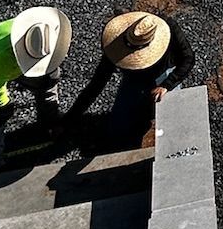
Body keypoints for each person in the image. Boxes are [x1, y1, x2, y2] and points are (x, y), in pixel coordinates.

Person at [0, 6, 73, 166]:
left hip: (15, 63)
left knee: (47, 83)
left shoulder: (41, 32)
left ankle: (50, 122)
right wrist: (4, 106)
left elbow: (44, 50)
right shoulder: (1, 56)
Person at [66, 9, 196, 136]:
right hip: (134, 80)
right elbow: (98, 82)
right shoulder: (115, 46)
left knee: (171, 126)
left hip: (163, 76)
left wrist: (167, 85)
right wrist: (71, 116)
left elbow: (188, 58)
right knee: (117, 130)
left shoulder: (170, 27)